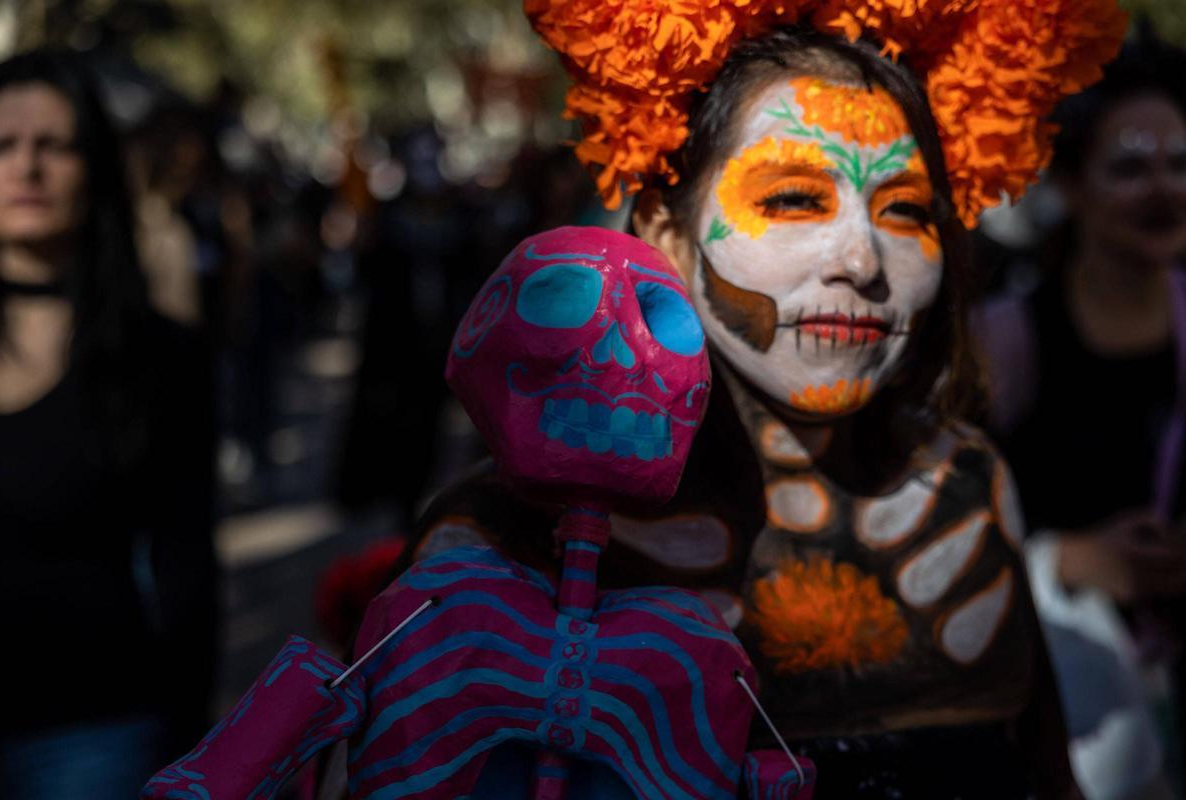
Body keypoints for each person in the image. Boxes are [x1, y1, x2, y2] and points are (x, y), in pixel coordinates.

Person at [397, 2, 1127, 797]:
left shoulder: (969, 488)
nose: (860, 258)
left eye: (906, 211)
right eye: (792, 200)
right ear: (666, 236)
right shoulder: (518, 534)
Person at [0, 50, 217, 799]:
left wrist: (189, 742)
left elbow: (188, 570)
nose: (27, 167)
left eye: (54, 144)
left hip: (92, 734)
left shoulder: (159, 356)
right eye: (0, 146)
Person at [976, 29, 1186, 800]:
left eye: (1181, 164)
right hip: (1062, 717)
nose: (1164, 189)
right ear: (1069, 184)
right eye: (1130, 167)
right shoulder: (1001, 342)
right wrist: (1063, 563)